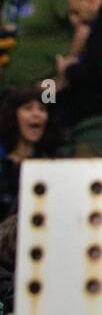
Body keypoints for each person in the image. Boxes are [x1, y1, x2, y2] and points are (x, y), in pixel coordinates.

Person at [0, 84, 62, 220]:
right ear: (13, 115)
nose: (36, 114)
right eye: (28, 108)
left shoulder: (53, 165)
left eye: (42, 109)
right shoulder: (3, 166)